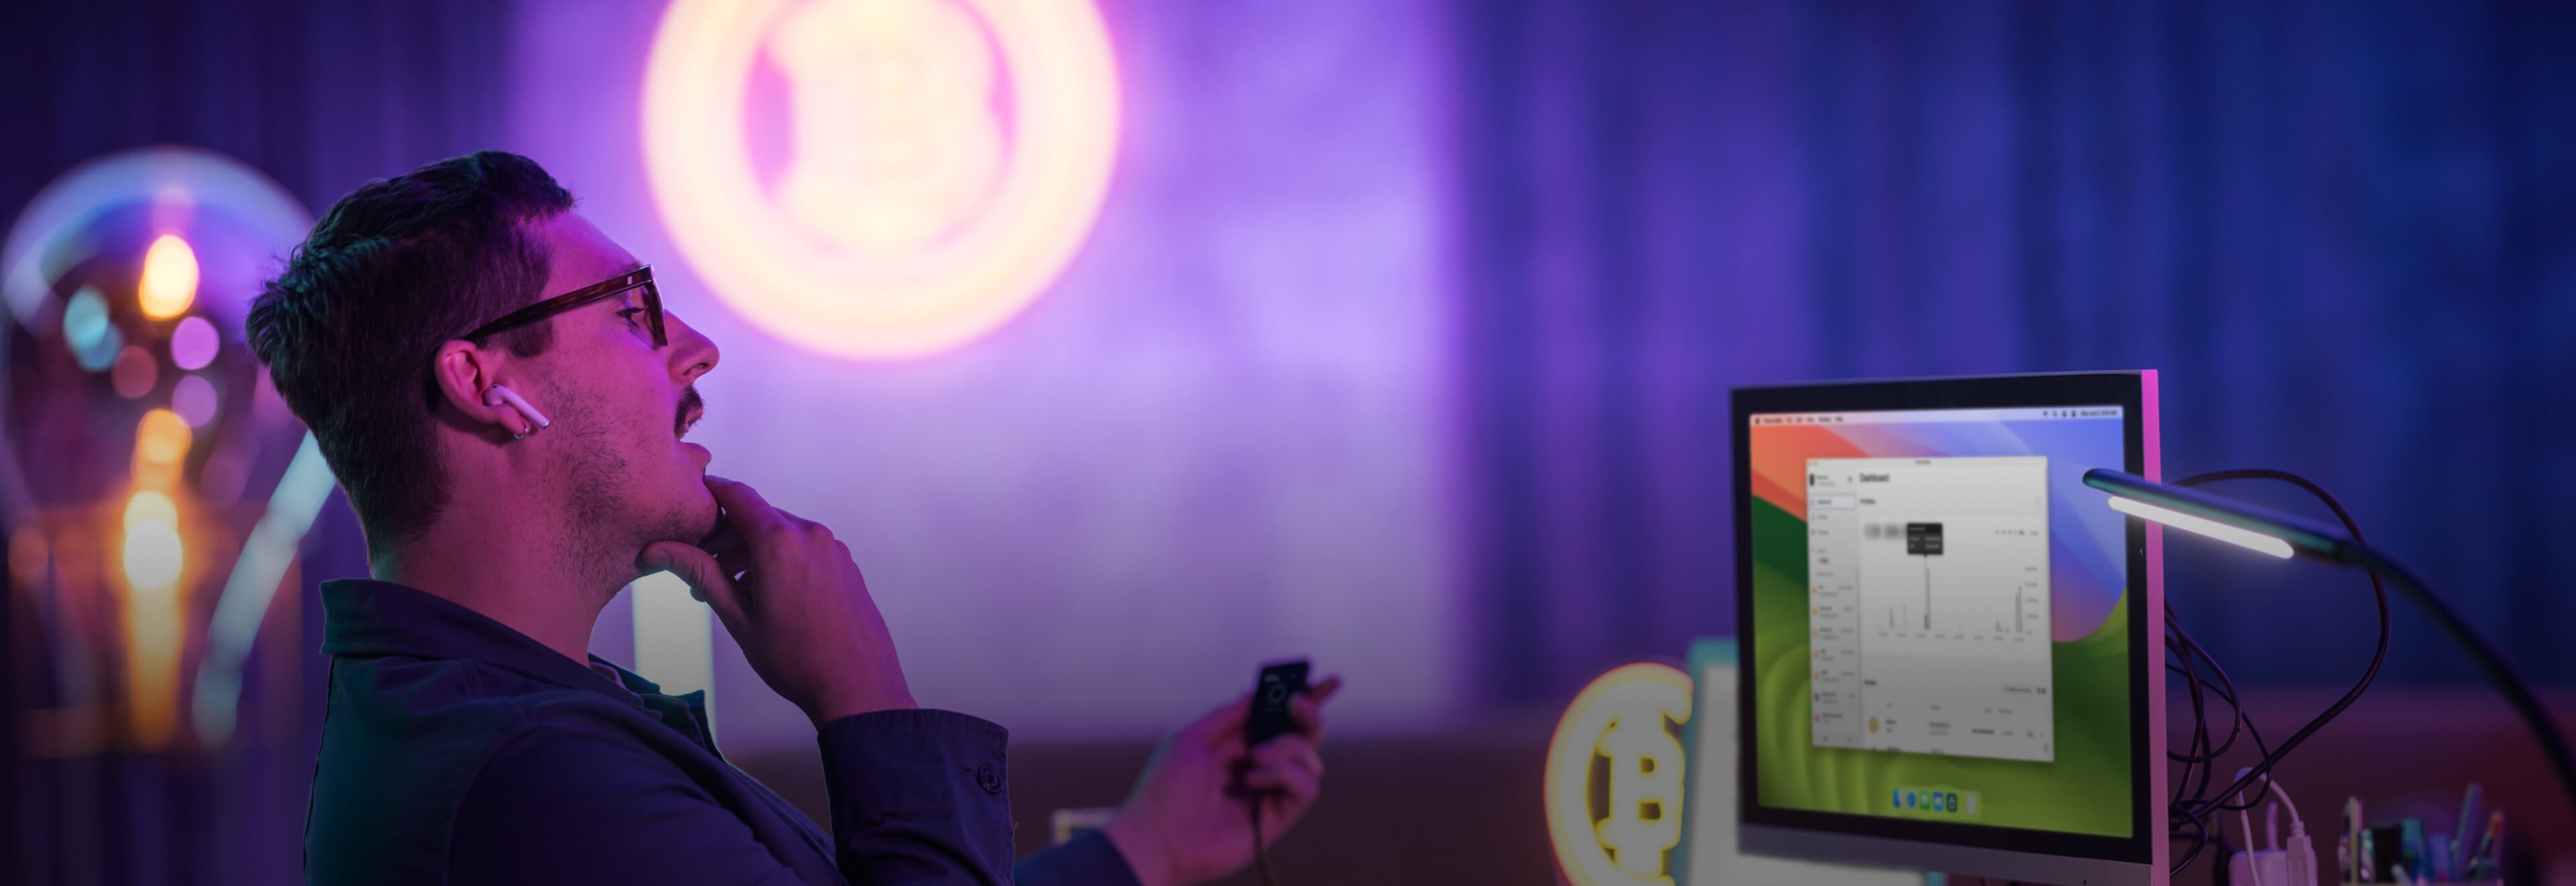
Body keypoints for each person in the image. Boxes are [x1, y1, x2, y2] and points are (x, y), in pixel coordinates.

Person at [246, 150, 1337, 885]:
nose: (696, 350)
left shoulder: (513, 722)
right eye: (633, 310)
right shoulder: (530, 775)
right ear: (487, 384)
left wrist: (1143, 849)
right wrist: (864, 698)